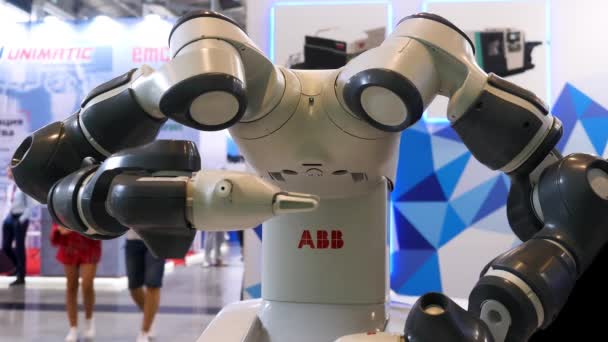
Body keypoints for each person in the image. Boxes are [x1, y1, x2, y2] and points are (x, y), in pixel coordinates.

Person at [51, 222, 101, 342]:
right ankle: (73, 327)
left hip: (90, 240)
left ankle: (89, 320)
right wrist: (58, 227)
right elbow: (57, 211)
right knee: (71, 286)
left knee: (87, 284)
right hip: (69, 243)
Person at [125, 230, 166, 342]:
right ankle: (149, 317)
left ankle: (144, 332)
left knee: (153, 283)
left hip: (157, 239)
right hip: (133, 238)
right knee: (134, 287)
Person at [2, 167, 36, 286]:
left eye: (9, 171)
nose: (7, 173)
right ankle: (18, 267)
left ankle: (21, 276)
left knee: (19, 247)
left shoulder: (24, 187)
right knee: (5, 246)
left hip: (20, 218)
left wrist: (21, 220)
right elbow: (8, 203)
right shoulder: (10, 187)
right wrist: (5, 218)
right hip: (9, 217)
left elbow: (30, 206)